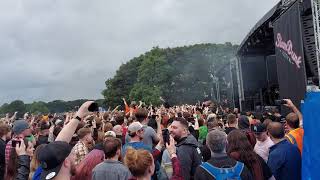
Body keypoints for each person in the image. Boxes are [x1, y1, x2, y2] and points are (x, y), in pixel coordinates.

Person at [38, 101, 94, 180]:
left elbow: (58, 145)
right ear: (66, 162)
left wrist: (78, 116)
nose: (75, 157)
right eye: (73, 154)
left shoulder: (43, 172)